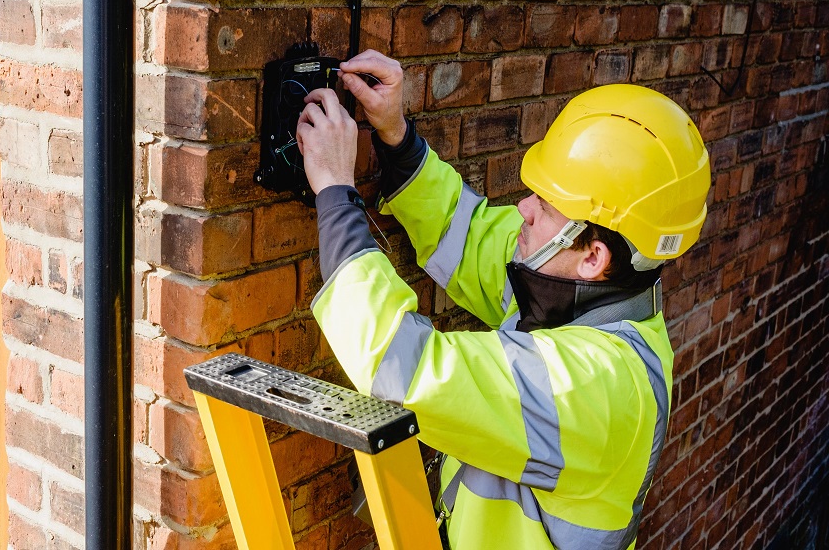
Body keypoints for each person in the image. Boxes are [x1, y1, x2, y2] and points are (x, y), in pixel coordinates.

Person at [295, 49, 711, 549]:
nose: (525, 208)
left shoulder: (598, 389)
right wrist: (397, 136)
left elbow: (403, 370)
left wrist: (335, 190)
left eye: (548, 205)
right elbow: (468, 237)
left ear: (593, 256)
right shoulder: (572, 290)